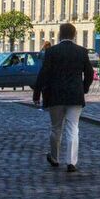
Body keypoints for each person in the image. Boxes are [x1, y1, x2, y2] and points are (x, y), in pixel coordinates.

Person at [32, 23, 95, 172]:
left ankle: (55, 158)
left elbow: (43, 73)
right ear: (74, 35)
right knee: (73, 128)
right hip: (75, 95)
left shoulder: (51, 51)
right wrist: (84, 88)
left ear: (60, 34)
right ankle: (71, 162)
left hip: (56, 95)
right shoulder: (81, 51)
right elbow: (90, 73)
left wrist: (37, 93)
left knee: (56, 128)